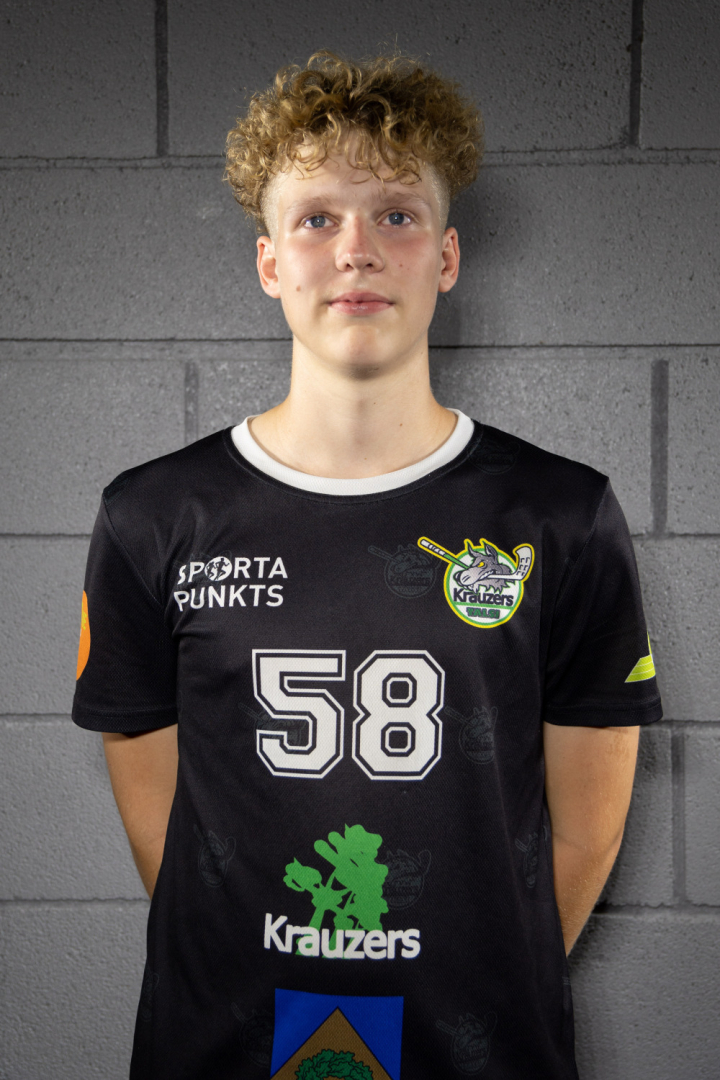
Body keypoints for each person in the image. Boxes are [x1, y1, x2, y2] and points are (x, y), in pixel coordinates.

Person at [72, 52, 662, 1080]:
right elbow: (170, 839)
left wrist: (474, 986)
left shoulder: (559, 515)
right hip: (222, 1049)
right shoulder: (153, 516)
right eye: (316, 219)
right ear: (269, 263)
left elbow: (582, 838)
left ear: (447, 257)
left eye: (396, 215)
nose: (356, 250)